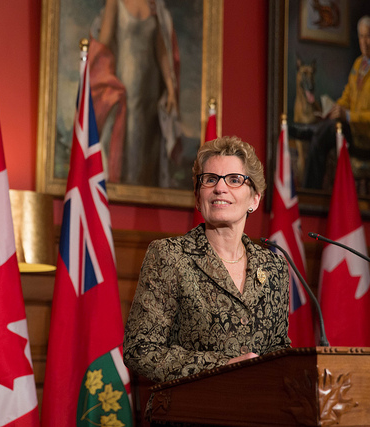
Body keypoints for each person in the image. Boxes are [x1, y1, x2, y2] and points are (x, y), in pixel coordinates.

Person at [123, 136, 291, 392]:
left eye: (234, 180)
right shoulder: (170, 256)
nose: (220, 188)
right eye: (210, 179)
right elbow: (140, 350)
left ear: (254, 199)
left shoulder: (273, 266)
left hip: (260, 412)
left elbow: (279, 349)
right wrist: (224, 366)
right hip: (190, 411)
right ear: (198, 197)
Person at [88, 0, 180, 187]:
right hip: (125, 88)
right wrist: (96, 71)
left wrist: (170, 89)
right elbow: (103, 44)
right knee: (127, 139)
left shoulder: (155, 7)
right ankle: (124, 190)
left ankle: (143, 193)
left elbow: (162, 50)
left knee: (148, 145)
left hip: (151, 92)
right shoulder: (116, 2)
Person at [299, 15, 370, 189]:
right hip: (354, 131)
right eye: (361, 36)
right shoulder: (358, 65)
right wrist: (335, 108)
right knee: (326, 129)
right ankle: (310, 191)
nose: (365, 42)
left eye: (369, 37)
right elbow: (348, 96)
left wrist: (348, 115)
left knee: (325, 132)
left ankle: (309, 191)